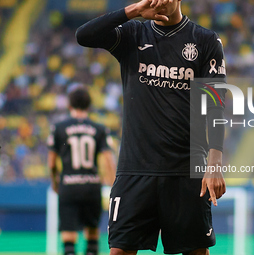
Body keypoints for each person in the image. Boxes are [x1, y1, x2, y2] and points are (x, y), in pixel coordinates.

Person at [76, 0, 227, 254]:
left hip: (185, 171)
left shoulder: (205, 41)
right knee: (120, 250)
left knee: (196, 251)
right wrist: (132, 12)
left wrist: (215, 162)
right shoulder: (132, 33)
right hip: (134, 171)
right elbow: (84, 35)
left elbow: (216, 105)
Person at [47, 86, 116, 255]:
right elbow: (108, 159)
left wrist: (55, 182)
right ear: (89, 105)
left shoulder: (59, 128)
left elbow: (51, 163)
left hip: (68, 186)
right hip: (91, 187)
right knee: (92, 235)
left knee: (69, 238)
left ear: (69, 105)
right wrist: (114, 182)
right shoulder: (100, 129)